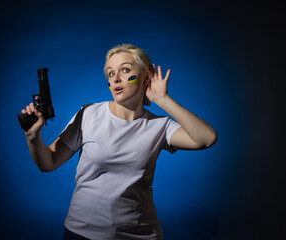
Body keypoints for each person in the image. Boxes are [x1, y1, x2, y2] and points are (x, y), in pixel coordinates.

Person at [21, 44, 218, 240]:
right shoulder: (88, 114)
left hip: (141, 235)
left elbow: (206, 138)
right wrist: (32, 137)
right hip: (82, 233)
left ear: (146, 76)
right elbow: (48, 162)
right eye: (110, 73)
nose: (115, 78)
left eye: (125, 70)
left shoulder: (161, 126)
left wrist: (163, 100)